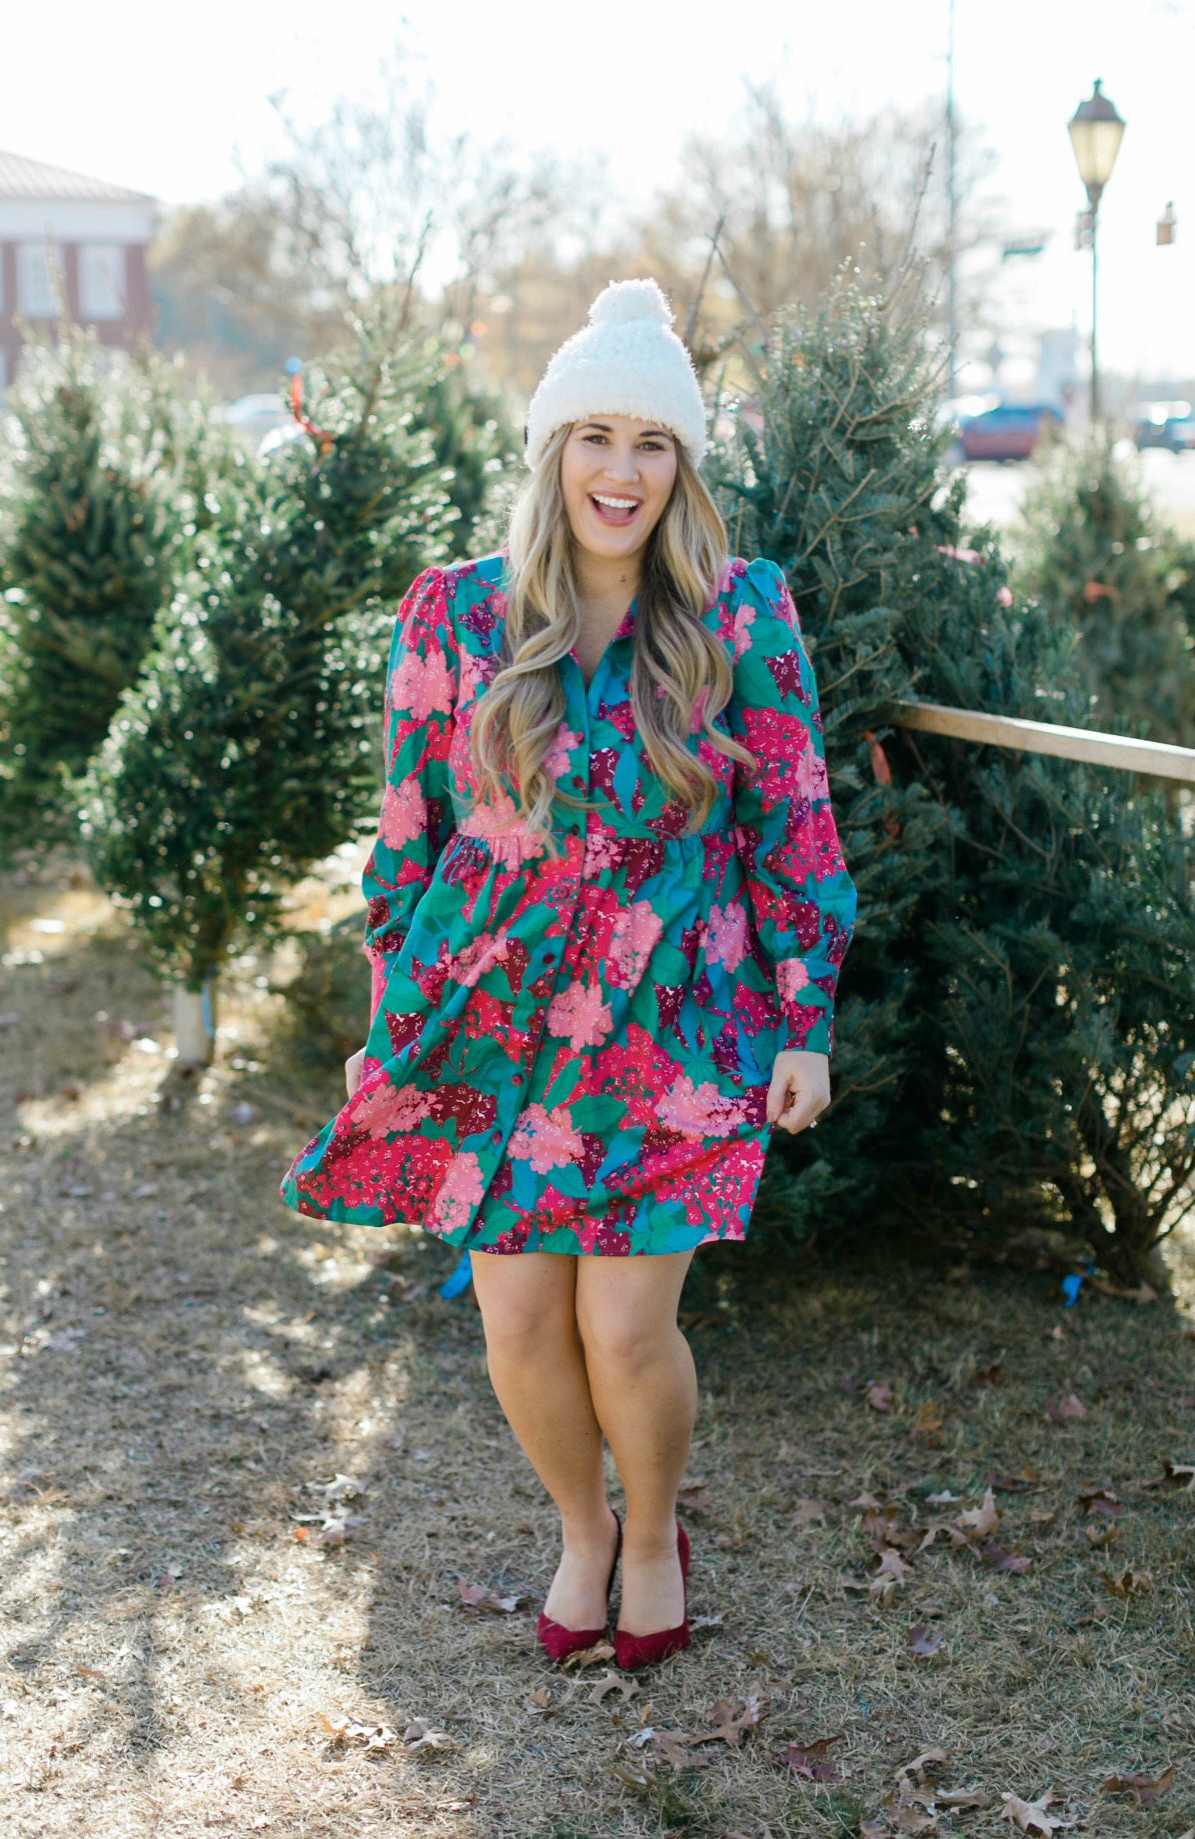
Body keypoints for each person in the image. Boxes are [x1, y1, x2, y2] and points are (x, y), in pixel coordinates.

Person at [281, 278, 857, 1669]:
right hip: (489, 1025)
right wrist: (389, 1022)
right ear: (553, 451)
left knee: (625, 1321)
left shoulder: (741, 616)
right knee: (522, 1320)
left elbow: (793, 830)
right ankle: (581, 1530)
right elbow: (408, 840)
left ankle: (653, 1533)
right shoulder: (455, 618)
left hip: (676, 1022)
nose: (622, 471)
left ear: (685, 465)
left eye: (652, 444)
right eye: (594, 437)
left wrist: (805, 1022)